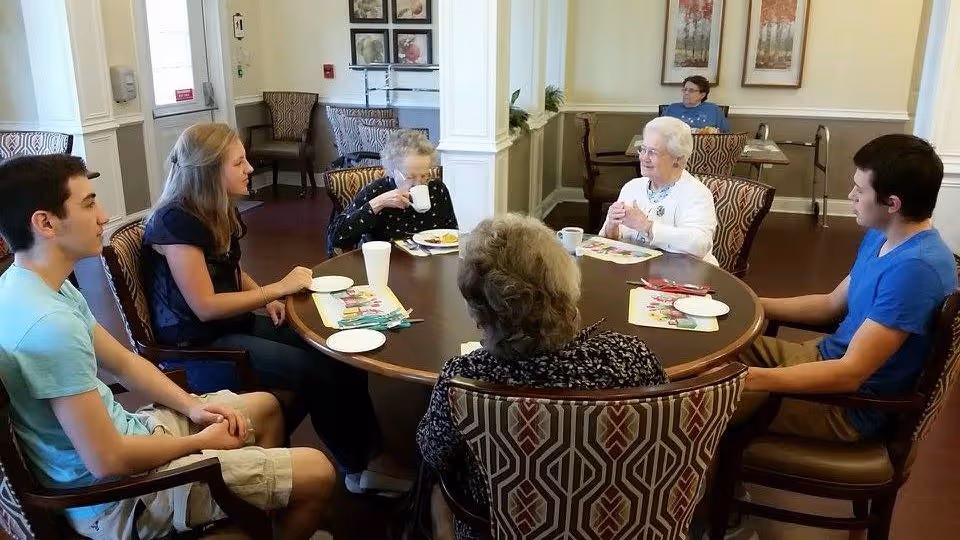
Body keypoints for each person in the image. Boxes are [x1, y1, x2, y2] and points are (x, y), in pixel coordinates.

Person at [0, 154, 334, 539]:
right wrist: (197, 443)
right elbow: (107, 461)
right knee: (318, 471)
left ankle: (252, 514)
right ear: (45, 223)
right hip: (114, 501)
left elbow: (125, 361)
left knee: (267, 407)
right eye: (89, 203)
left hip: (128, 436)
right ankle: (250, 512)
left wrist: (195, 406)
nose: (104, 216)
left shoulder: (31, 284)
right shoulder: (50, 328)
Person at [142, 122, 407, 496]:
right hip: (199, 347)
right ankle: (358, 469)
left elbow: (229, 269)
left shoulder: (211, 209)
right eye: (239, 163)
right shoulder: (175, 221)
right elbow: (204, 306)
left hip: (229, 325)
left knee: (337, 349)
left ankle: (368, 456)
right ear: (209, 172)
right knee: (319, 369)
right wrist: (276, 288)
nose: (249, 168)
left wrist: (268, 297)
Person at [417, 214, 668, 540]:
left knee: (436, 480)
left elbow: (433, 451)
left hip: (499, 526)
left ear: (478, 310)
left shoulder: (464, 380)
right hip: (617, 521)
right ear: (565, 289)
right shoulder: (630, 357)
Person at [738, 133, 957, 442]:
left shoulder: (916, 270)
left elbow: (850, 373)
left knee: (694, 401)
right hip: (822, 361)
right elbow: (831, 304)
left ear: (892, 203)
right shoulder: (884, 235)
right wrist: (745, 303)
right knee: (716, 344)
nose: (851, 194)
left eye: (860, 189)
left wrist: (749, 379)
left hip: (845, 407)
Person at [600, 116, 719, 264]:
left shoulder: (697, 194)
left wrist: (647, 226)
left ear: (678, 158)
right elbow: (610, 243)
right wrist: (612, 225)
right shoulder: (632, 187)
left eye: (653, 152)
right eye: (643, 149)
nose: (644, 158)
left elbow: (700, 244)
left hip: (681, 278)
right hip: (633, 273)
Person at [327, 129, 457, 255]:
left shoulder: (437, 189)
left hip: (432, 266)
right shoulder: (376, 191)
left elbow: (452, 234)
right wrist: (378, 204)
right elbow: (335, 238)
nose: (418, 183)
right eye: (410, 176)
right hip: (387, 266)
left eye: (424, 176)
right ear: (393, 170)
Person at [662, 75, 730, 132]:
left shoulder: (714, 110)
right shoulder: (671, 109)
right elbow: (659, 132)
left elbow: (725, 134)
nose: (686, 93)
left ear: (702, 95)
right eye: (685, 89)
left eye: (691, 90)